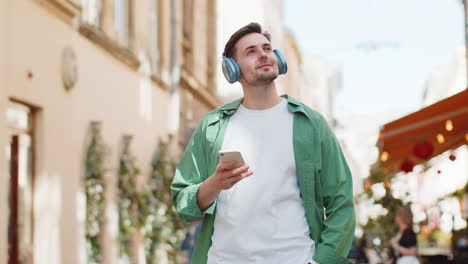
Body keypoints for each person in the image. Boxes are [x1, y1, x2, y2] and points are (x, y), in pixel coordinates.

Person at [171, 22, 356, 264]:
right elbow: (183, 203)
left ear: (277, 58)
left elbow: (341, 202)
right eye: (251, 51)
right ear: (232, 69)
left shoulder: (311, 124)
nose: (263, 55)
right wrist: (214, 184)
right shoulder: (212, 126)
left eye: (267, 48)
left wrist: (323, 261)